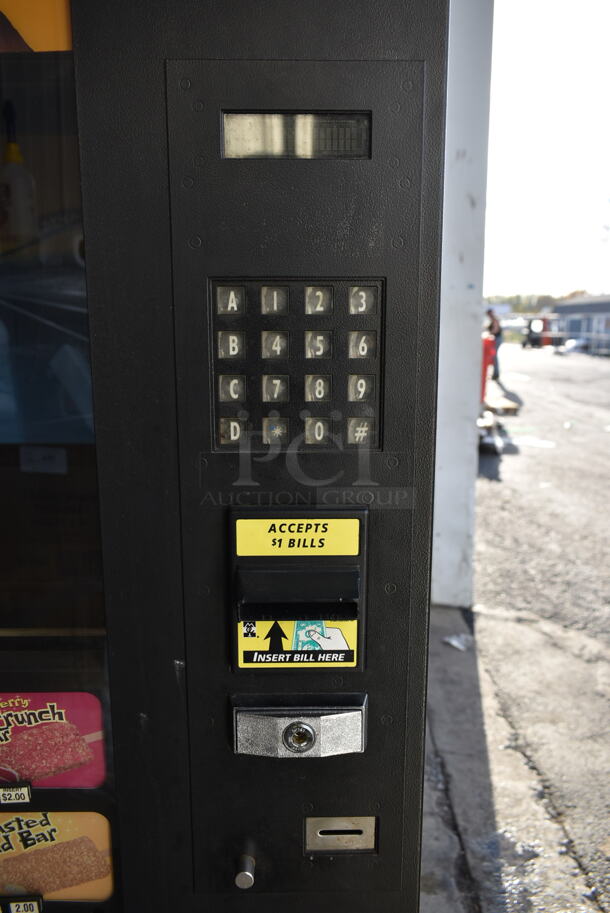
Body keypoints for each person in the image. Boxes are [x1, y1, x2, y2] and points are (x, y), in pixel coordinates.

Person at [486, 308, 502, 381]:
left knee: (494, 356)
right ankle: (495, 373)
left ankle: (496, 373)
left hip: (497, 339)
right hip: (496, 339)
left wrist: (489, 334)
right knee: (494, 356)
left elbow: (495, 330)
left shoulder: (494, 319)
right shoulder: (493, 320)